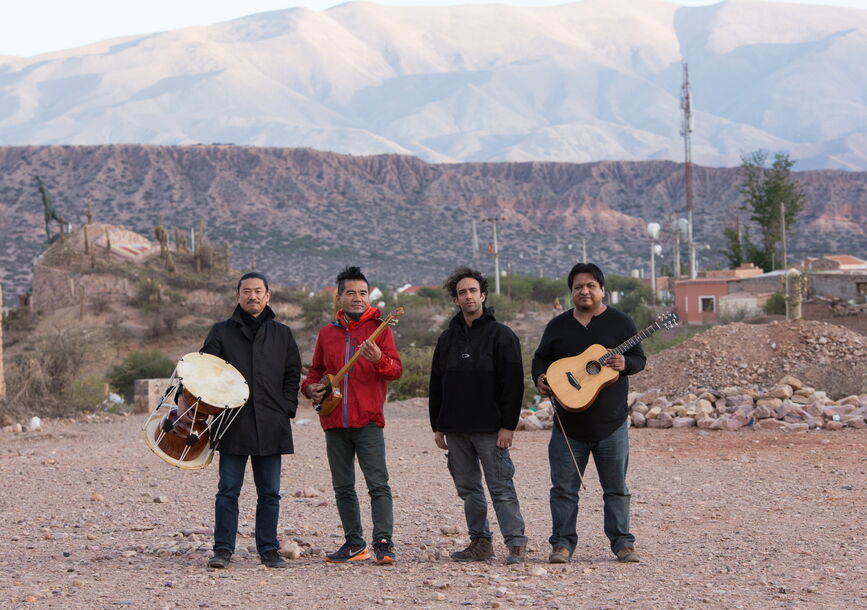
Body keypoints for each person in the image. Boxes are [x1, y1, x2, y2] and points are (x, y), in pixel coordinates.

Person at [532, 263, 646, 564]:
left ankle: (623, 544)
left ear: (602, 290)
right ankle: (562, 545)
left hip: (612, 424)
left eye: (590, 286)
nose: (584, 291)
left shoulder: (621, 322)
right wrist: (540, 379)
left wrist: (627, 365)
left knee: (617, 489)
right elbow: (540, 359)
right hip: (568, 426)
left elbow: (639, 358)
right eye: (578, 287)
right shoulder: (558, 326)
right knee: (563, 489)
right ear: (571, 292)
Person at [301, 266, 402, 565]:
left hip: (368, 420)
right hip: (333, 419)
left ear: (368, 295)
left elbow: (395, 370)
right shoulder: (327, 333)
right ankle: (354, 544)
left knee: (378, 484)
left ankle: (383, 542)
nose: (357, 298)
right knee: (343, 486)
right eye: (350, 293)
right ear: (339, 297)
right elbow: (316, 370)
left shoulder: (381, 329)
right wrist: (310, 389)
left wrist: (379, 360)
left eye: (362, 293)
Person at [201, 272, 302, 569]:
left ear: (268, 296)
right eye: (247, 291)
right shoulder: (221, 332)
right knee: (228, 490)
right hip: (232, 423)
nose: (253, 296)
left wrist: (287, 406)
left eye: (258, 291)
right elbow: (205, 371)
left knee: (269, 492)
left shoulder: (282, 333)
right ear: (238, 296)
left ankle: (268, 550)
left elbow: (293, 372)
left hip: (272, 423)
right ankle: (222, 550)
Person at [429, 267, 528, 564]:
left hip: (490, 428)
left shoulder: (502, 336)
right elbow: (437, 384)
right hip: (456, 428)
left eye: (473, 291)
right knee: (468, 488)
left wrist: (507, 426)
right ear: (456, 300)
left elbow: (513, 384)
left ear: (483, 295)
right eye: (462, 293)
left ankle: (516, 544)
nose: (468, 296)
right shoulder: (447, 339)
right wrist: (438, 425)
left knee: (500, 487)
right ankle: (480, 542)